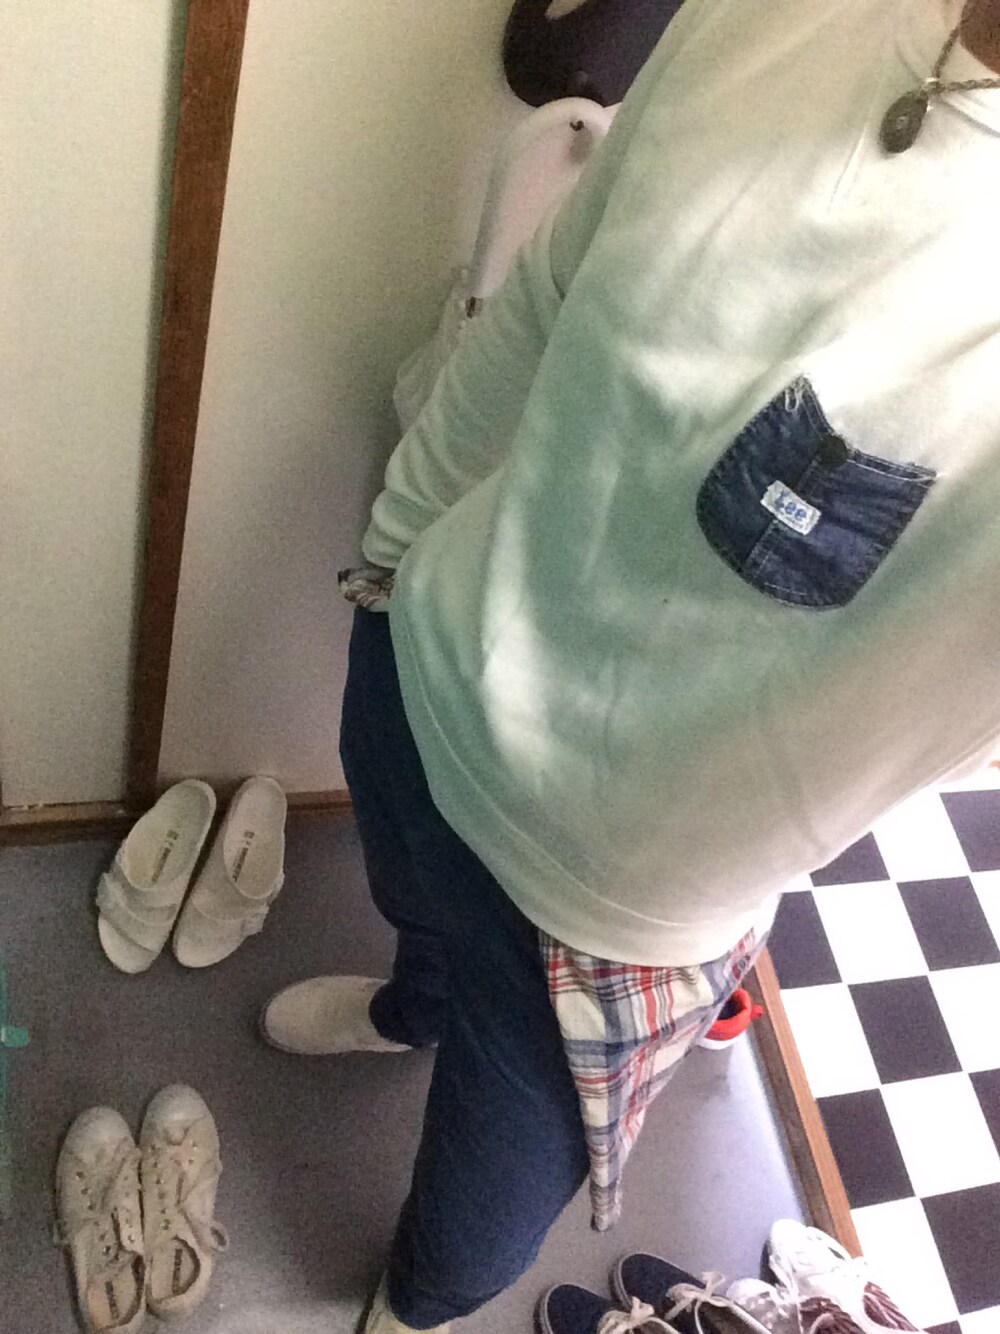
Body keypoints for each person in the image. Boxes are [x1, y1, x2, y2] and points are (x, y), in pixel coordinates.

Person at [262, 0, 1000, 1330]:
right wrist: (396, 545)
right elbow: (553, 291)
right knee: (407, 899)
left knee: (480, 1211)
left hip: (614, 910)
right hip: (431, 649)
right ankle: (413, 1004)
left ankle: (411, 1310)